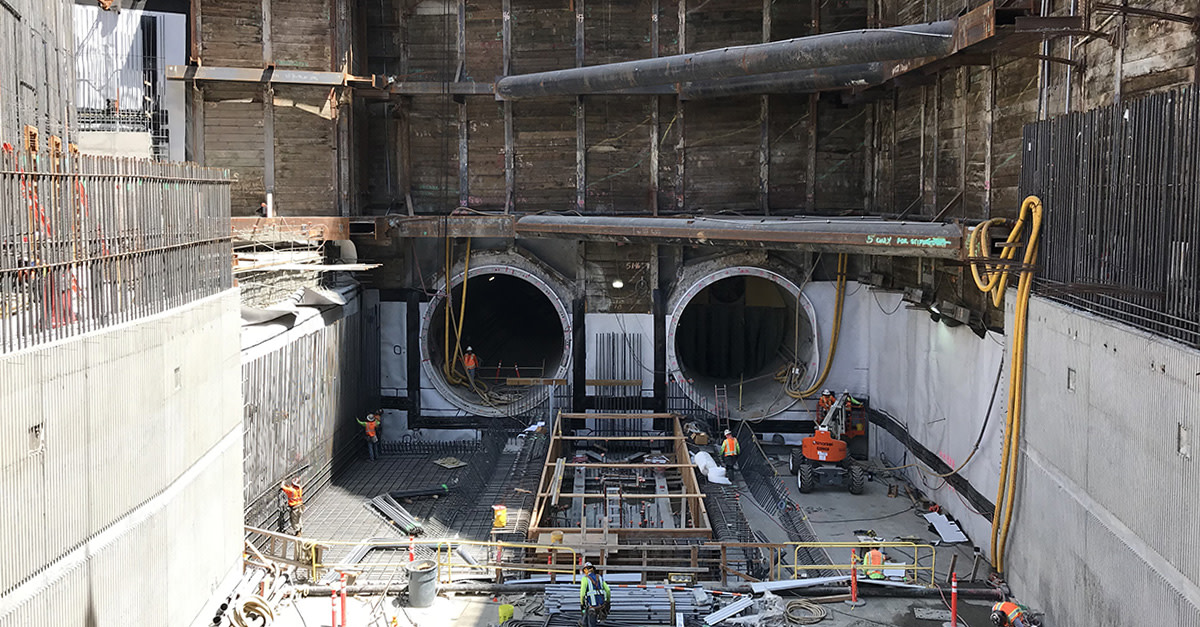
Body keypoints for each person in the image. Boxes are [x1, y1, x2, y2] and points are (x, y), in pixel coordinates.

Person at [578, 562, 611, 627]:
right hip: (601, 606)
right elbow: (608, 590)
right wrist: (607, 601)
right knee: (586, 620)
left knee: (591, 622)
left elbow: (582, 594)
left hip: (592, 607)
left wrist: (582, 604)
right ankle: (583, 623)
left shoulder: (585, 579)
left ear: (585, 570)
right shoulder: (600, 578)